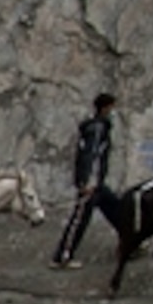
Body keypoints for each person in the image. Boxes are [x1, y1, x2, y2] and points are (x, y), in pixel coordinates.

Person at [51, 92, 118, 267]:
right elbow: (91, 156)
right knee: (79, 220)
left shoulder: (98, 126)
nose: (113, 110)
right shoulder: (97, 129)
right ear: (105, 108)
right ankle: (62, 257)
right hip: (91, 184)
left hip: (97, 184)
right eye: (111, 107)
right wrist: (86, 182)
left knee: (117, 211)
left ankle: (130, 244)